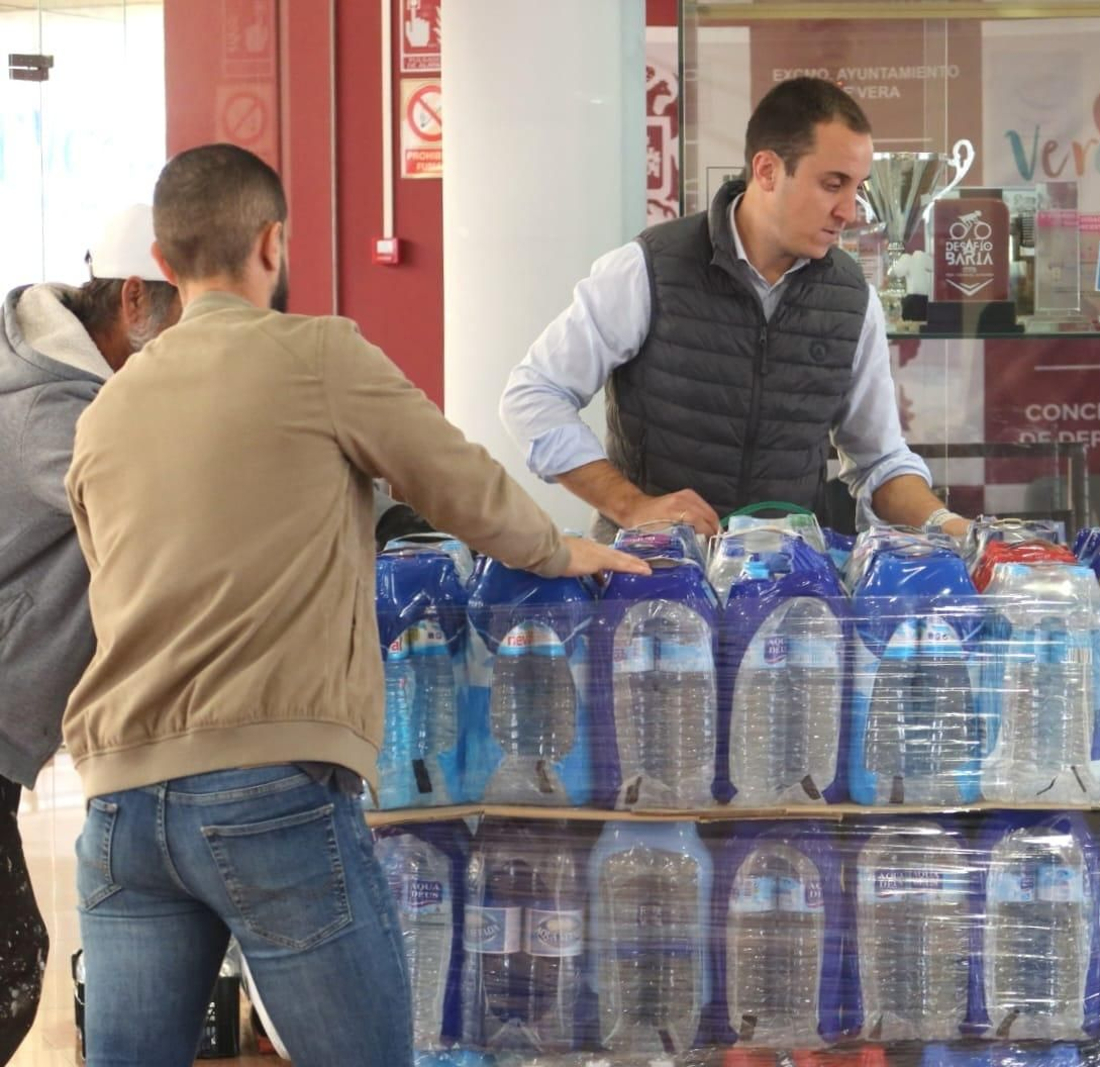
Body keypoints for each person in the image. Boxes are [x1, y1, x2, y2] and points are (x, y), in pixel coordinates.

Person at [62, 143, 647, 1067]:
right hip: (266, 784)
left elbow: (109, 577)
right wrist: (557, 548)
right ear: (273, 242)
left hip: (119, 800)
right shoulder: (316, 355)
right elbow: (453, 478)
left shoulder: (106, 410)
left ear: (163, 263)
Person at [500, 76, 968, 542]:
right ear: (766, 171)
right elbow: (534, 395)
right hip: (650, 571)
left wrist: (953, 529)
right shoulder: (648, 269)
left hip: (789, 577)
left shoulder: (853, 299)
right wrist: (632, 506)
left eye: (857, 188)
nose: (849, 210)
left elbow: (881, 461)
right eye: (832, 185)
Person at [0, 205, 181, 1062]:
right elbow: (173, 508)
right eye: (184, 329)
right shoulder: (57, 412)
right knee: (10, 963)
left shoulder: (73, 390)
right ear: (134, 300)